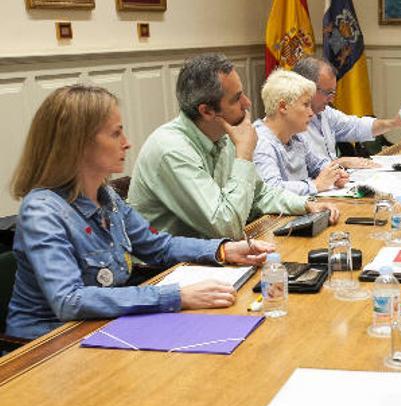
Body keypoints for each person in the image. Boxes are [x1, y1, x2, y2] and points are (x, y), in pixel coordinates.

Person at [5, 85, 273, 339]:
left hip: (103, 327)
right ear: (78, 144)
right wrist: (176, 296)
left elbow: (159, 246)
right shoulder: (42, 212)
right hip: (46, 347)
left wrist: (224, 250)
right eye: (115, 133)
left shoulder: (105, 195)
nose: (127, 142)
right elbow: (69, 301)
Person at [128, 53, 339, 239]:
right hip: (163, 270)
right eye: (237, 98)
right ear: (207, 111)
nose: (248, 103)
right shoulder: (172, 150)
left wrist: (306, 205)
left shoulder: (223, 134)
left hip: (209, 252)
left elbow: (261, 194)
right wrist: (244, 155)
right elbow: (226, 226)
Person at [294, 56, 401, 163]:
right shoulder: (289, 122)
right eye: (327, 93)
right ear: (306, 88)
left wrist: (393, 123)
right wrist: (340, 163)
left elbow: (355, 126)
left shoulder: (325, 112)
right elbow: (304, 170)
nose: (331, 100)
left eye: (333, 92)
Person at [253, 69, 349, 195]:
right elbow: (271, 190)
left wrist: (335, 173)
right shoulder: (260, 142)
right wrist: (315, 185)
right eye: (306, 105)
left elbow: (318, 164)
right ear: (283, 107)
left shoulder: (296, 136)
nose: (311, 113)